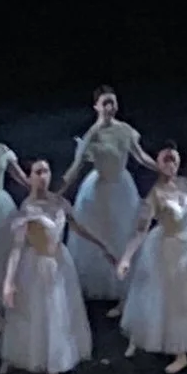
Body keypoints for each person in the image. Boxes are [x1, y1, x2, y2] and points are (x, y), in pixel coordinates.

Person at [0, 159, 107, 374]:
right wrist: (9, 282)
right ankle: (47, 368)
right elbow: (17, 247)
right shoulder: (27, 209)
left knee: (60, 313)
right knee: (41, 314)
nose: (42, 176)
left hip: (59, 264)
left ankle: (57, 365)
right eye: (37, 172)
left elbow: (77, 227)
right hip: (38, 266)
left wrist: (102, 246)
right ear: (29, 178)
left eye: (46, 171)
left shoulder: (59, 202)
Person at [116, 143, 187, 374]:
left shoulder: (185, 184)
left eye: (174, 159)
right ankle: (162, 344)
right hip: (166, 247)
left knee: (183, 296)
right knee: (160, 296)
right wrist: (126, 258)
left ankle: (178, 347)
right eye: (166, 160)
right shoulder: (154, 195)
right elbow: (140, 230)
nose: (171, 164)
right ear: (158, 165)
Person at [59, 85, 157, 314]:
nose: (110, 107)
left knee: (121, 235)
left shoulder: (125, 130)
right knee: (97, 237)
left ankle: (124, 293)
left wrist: (160, 169)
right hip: (97, 190)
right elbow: (77, 166)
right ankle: (98, 285)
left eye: (112, 102)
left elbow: (140, 156)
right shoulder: (91, 136)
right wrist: (60, 191)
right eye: (105, 103)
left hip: (121, 188)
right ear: (96, 106)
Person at [0, 107, 31, 337]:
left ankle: (11, 308)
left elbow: (21, 178)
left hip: (1, 208)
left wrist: (40, 193)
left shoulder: (3, 151)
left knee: (6, 256)